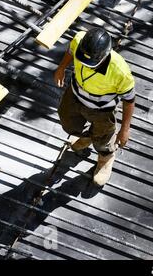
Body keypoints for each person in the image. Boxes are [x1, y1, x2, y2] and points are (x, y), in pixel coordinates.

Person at [54, 27, 135, 186]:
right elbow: (71, 51)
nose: (86, 65)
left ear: (105, 55)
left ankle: (106, 157)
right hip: (75, 94)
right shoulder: (79, 40)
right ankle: (87, 137)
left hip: (101, 109)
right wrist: (61, 67)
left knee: (103, 137)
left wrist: (125, 129)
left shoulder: (120, 71)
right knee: (67, 122)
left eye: (91, 63)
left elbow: (129, 100)